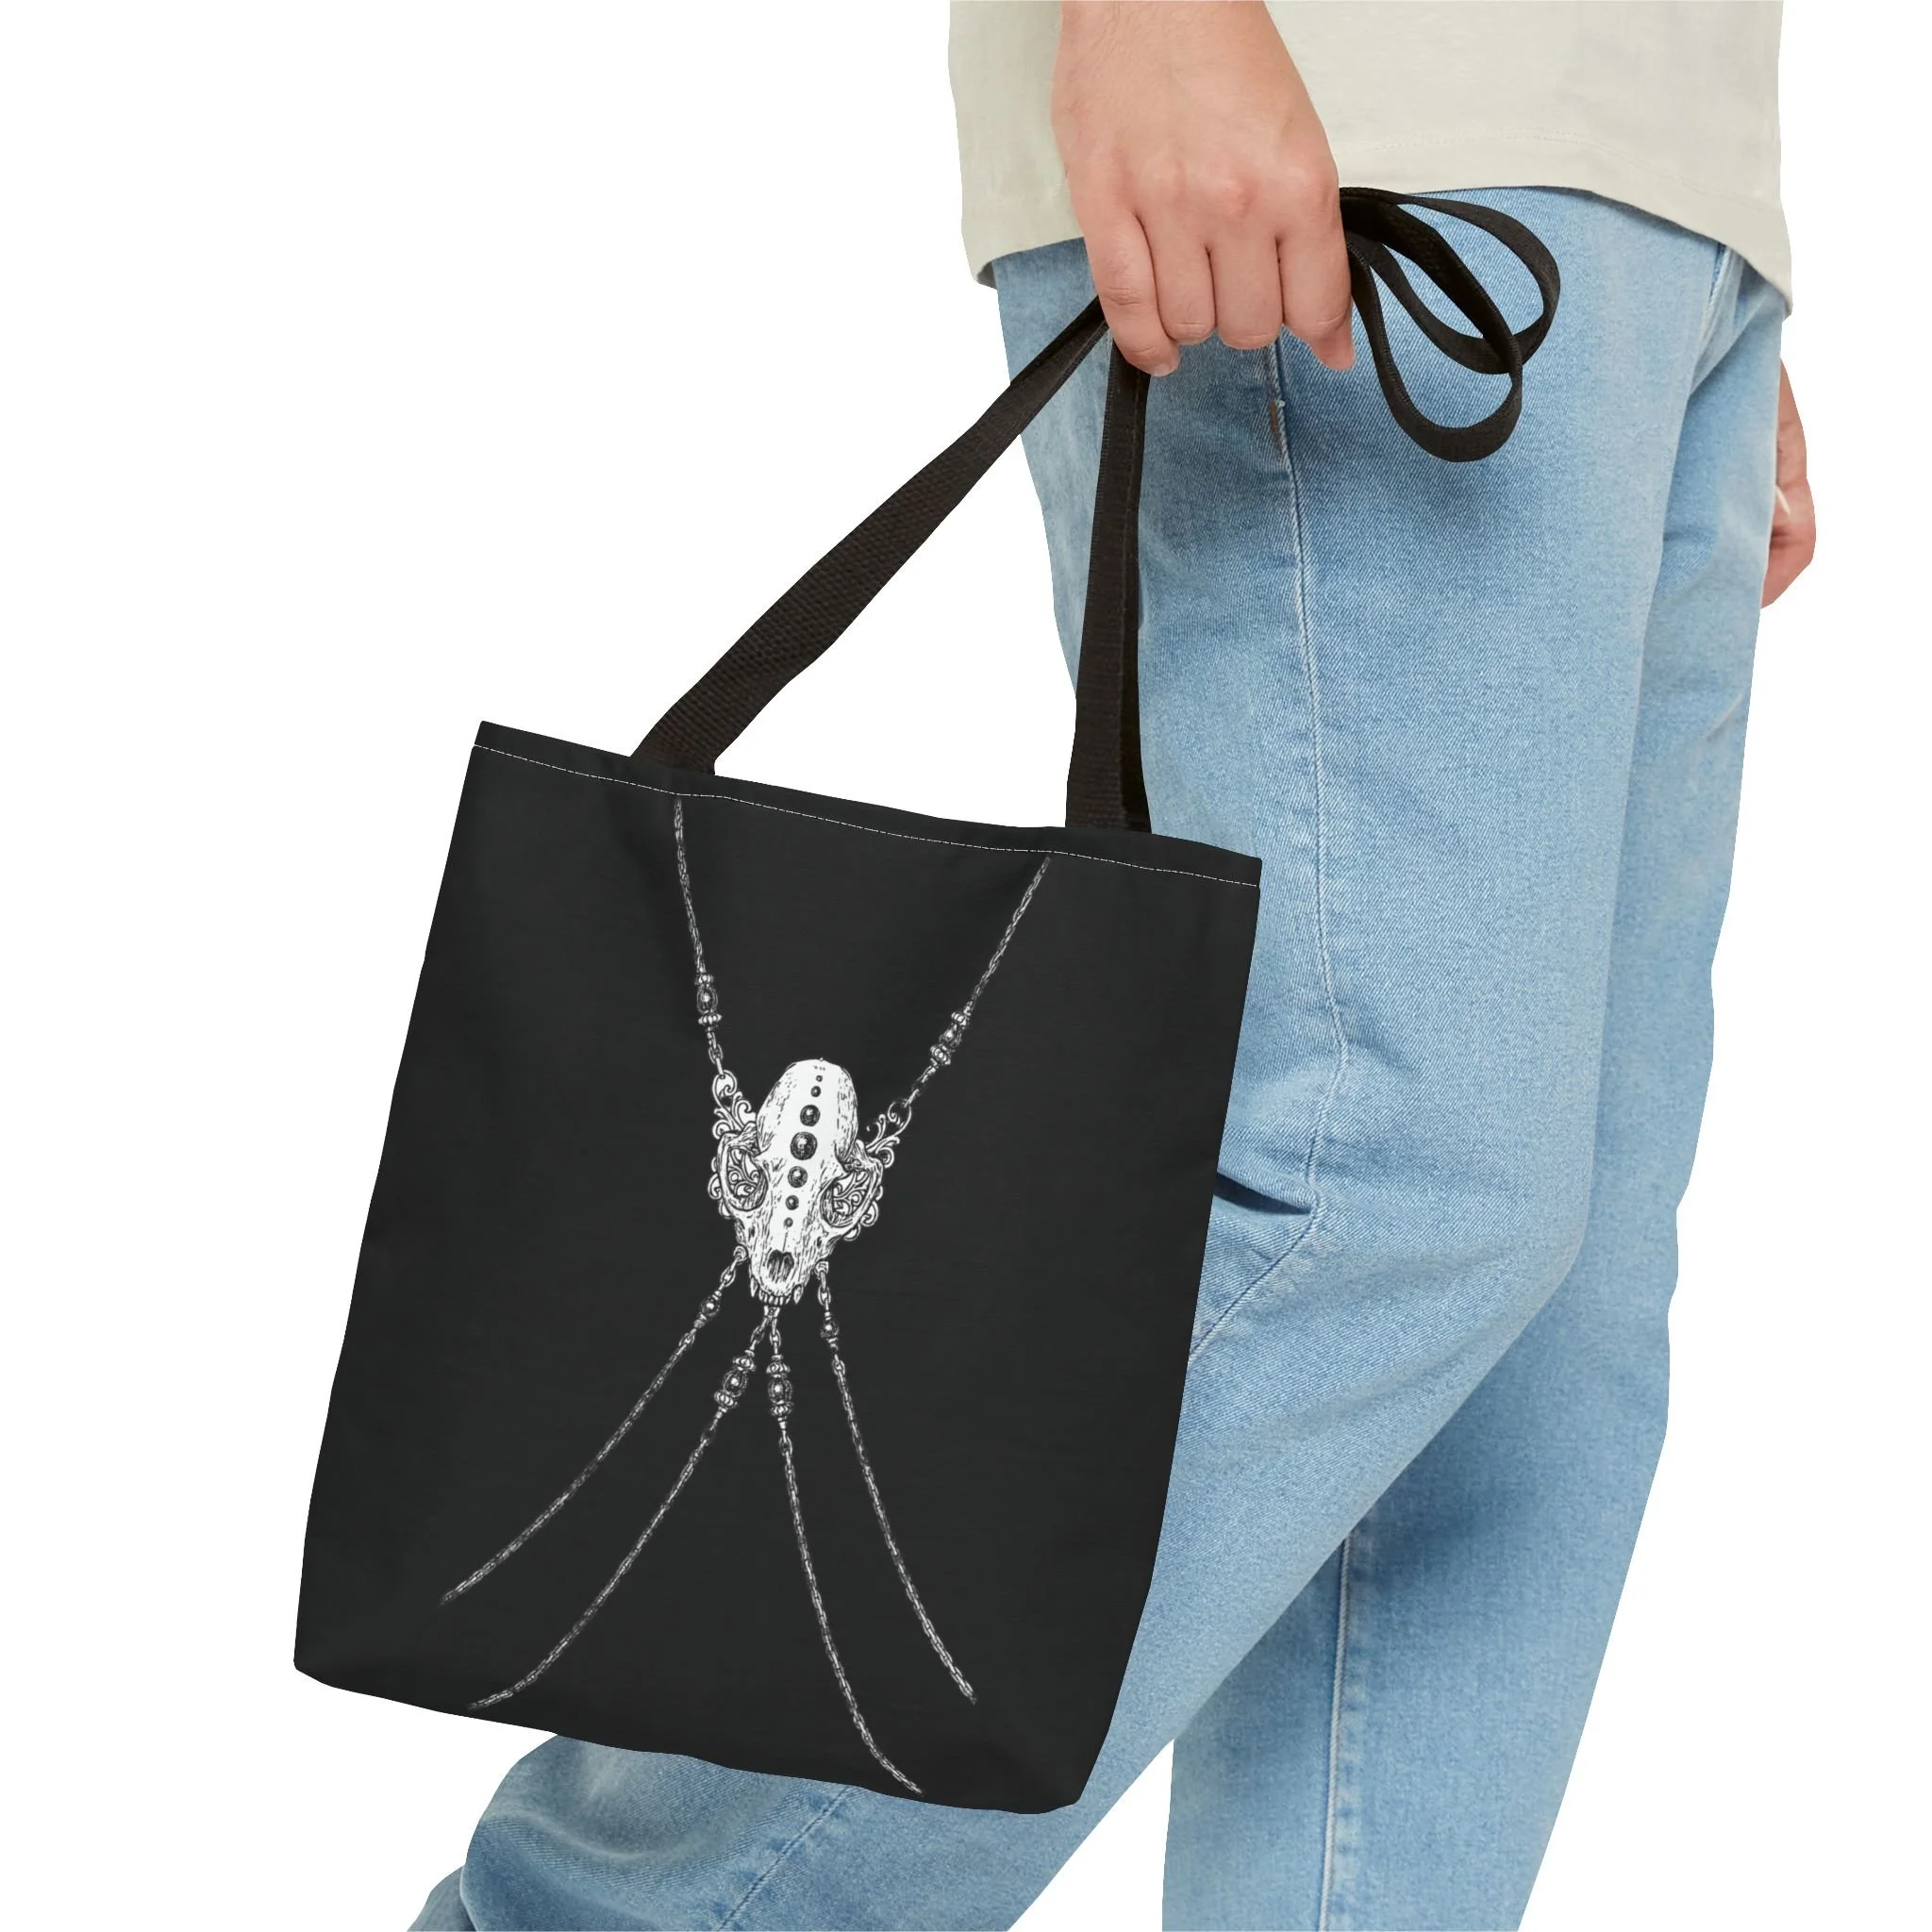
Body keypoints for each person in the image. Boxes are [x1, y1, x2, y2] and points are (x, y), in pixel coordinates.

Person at [413, 5, 1813, 1926]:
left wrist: (1697, 237)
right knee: (1376, 1191)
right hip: (1365, 114)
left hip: (1642, 192)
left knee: (1530, 1361)